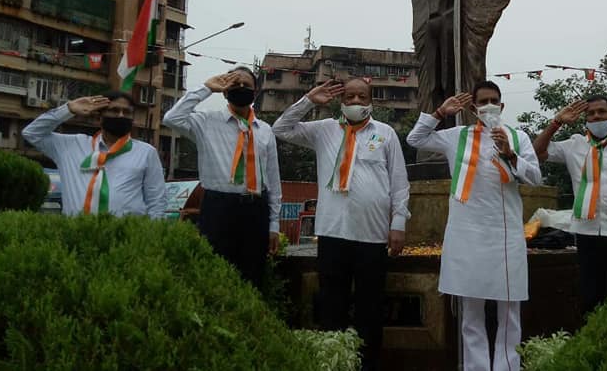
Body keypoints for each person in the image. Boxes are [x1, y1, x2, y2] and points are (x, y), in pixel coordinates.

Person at [272, 78, 410, 371]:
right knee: (332, 306)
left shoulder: (385, 134)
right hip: (333, 232)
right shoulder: (323, 130)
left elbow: (399, 182)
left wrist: (398, 223)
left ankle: (367, 364)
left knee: (370, 309)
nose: (356, 101)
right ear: (341, 101)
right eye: (349, 96)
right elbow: (280, 129)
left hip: (372, 235)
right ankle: (334, 364)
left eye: (362, 95)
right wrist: (309, 99)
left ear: (372, 100)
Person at [406, 80, 541, 371]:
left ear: (502, 106)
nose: (488, 106)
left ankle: (508, 367)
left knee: (509, 310)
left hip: (504, 235)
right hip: (467, 233)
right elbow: (415, 139)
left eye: (494, 101)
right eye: (482, 102)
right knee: (471, 311)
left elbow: (535, 178)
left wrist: (510, 154)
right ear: (473, 107)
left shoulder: (518, 137)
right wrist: (440, 113)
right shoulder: (456, 136)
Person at [532, 96, 607, 314]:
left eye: (602, 112)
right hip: (587, 233)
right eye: (591, 114)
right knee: (591, 299)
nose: (597, 116)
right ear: (585, 120)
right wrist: (556, 122)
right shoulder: (574, 145)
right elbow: (537, 152)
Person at [162, 68, 281, 289]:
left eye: (247, 85)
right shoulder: (206, 122)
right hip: (219, 207)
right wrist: (207, 88)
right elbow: (171, 118)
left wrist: (274, 224)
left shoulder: (264, 130)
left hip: (256, 209)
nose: (242, 88)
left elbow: (273, 180)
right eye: (235, 84)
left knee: (253, 275)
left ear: (255, 92)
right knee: (215, 272)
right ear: (225, 92)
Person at [22, 91, 166, 219]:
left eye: (127, 112)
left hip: (126, 239)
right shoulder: (71, 146)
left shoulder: (146, 152)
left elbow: (156, 203)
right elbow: (31, 133)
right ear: (99, 118)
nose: (121, 116)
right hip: (77, 235)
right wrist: (68, 109)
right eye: (114, 111)